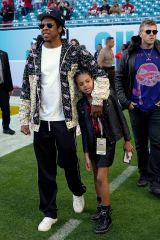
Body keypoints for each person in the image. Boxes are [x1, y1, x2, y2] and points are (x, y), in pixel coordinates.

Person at [19, 7, 110, 232]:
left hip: (66, 120)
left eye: (49, 25)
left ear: (60, 28)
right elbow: (25, 88)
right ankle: (49, 213)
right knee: (45, 169)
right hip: (41, 121)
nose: (44, 29)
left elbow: (100, 74)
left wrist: (97, 99)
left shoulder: (74, 51)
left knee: (68, 162)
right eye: (42, 26)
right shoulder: (34, 54)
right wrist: (24, 117)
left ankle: (77, 191)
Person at [74, 69, 133, 234]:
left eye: (87, 81)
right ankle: (101, 207)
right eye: (81, 84)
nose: (85, 85)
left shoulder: (106, 96)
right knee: (95, 177)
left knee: (101, 177)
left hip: (108, 142)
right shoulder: (81, 105)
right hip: (93, 145)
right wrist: (85, 153)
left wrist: (128, 141)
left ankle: (106, 214)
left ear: (93, 80)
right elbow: (85, 131)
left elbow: (121, 119)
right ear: (78, 87)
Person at [115, 20, 160, 196]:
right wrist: (126, 101)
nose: (151, 34)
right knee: (141, 144)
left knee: (156, 142)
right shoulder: (129, 53)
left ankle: (156, 179)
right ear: (140, 33)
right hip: (136, 106)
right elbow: (119, 78)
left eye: (155, 32)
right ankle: (144, 173)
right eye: (148, 31)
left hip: (156, 108)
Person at [0, 49, 15, 135]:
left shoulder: (4, 54)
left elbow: (8, 71)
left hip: (3, 87)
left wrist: (10, 88)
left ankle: (6, 128)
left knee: (5, 108)